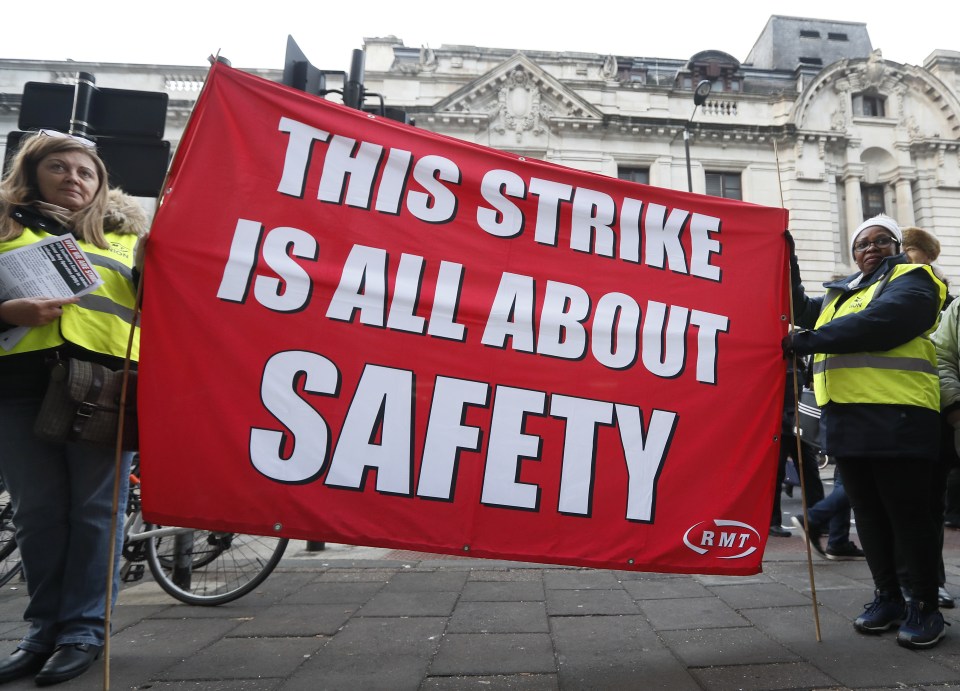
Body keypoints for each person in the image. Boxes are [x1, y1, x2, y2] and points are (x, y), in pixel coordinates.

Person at [0, 131, 146, 685]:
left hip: (105, 385)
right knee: (36, 513)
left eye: (85, 172)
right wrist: (7, 311)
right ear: (32, 172)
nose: (73, 179)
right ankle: (41, 631)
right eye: (59, 168)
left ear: (100, 183)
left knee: (94, 513)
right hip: (17, 383)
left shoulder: (129, 237)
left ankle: (83, 630)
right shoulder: (4, 226)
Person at [783, 215, 947, 649]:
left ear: (896, 246)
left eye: (881, 241)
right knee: (869, 516)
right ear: (853, 254)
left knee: (908, 518)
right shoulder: (844, 293)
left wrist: (808, 341)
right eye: (862, 244)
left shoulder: (915, 279)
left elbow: (886, 321)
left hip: (900, 416)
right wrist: (786, 257)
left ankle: (924, 606)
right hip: (847, 420)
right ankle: (887, 597)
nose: (870, 248)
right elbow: (800, 308)